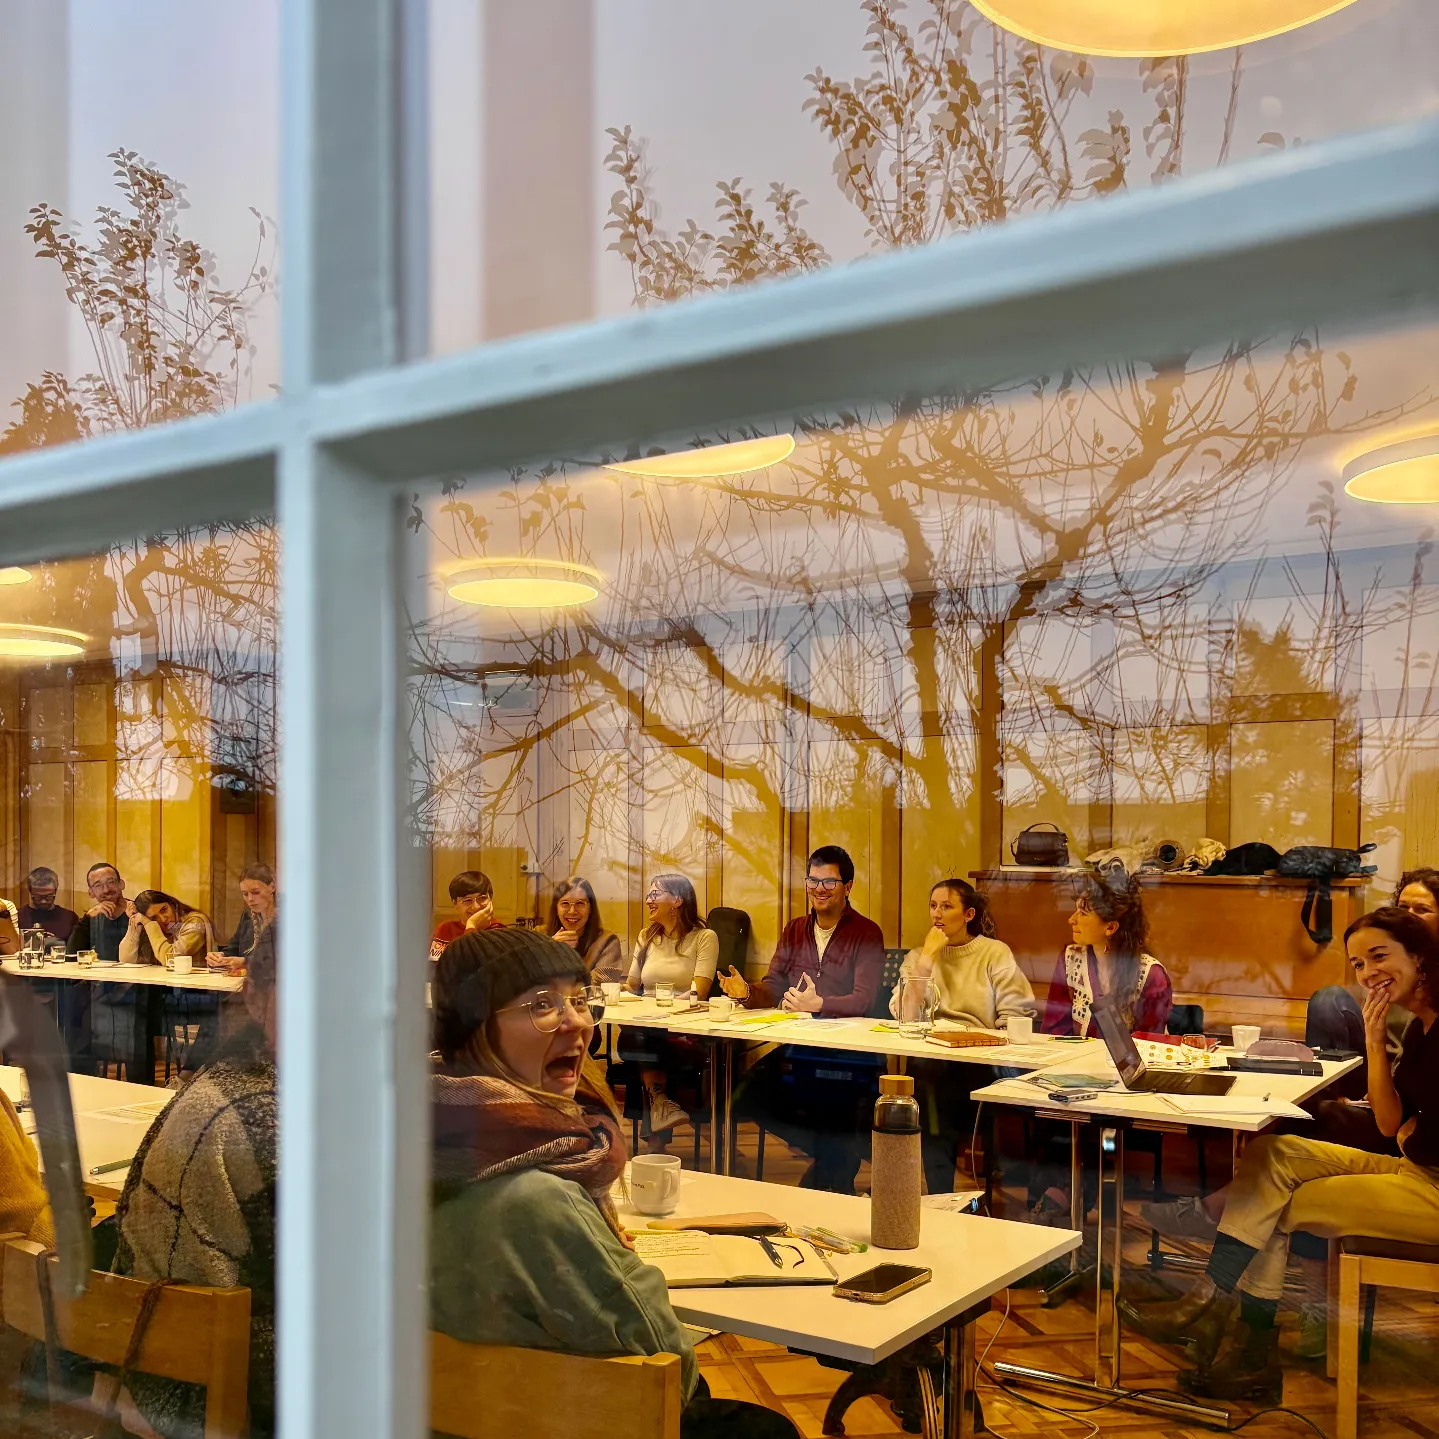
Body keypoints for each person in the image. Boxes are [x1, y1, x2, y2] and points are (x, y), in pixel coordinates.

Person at [429, 926, 797, 1439]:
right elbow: (667, 1361)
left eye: (579, 1000)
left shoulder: (407, 1142)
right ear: (473, 1028)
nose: (578, 1022)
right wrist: (611, 1257)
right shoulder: (535, 1197)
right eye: (542, 1004)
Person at [1119, 907, 1439, 1402]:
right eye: (1358, 964)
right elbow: (1388, 1123)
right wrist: (1374, 1043)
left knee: (1267, 1204)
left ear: (1419, 956)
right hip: (1413, 1168)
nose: (1368, 973)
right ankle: (1214, 1312)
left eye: (1380, 956)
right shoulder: (1418, 1029)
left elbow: (1412, 1134)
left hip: (1432, 1190)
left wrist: (1413, 1136)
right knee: (1270, 1154)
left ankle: (1242, 1342)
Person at [110, 921, 278, 1437]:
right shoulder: (261, 1115)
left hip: (162, 1361)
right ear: (256, 998)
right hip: (209, 1394)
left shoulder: (241, 1078)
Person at [718, 847, 885, 1192]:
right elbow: (773, 985)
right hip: (802, 1046)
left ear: (848, 886)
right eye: (813, 880)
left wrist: (819, 1004)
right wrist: (746, 992)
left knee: (835, 1109)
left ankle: (833, 1166)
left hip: (849, 1052)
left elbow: (864, 998)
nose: (819, 889)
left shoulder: (866, 932)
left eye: (829, 882)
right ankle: (834, 1160)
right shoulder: (795, 929)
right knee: (745, 1093)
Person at [890, 879, 1036, 1193]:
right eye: (933, 906)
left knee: (936, 1085)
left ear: (969, 914)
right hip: (933, 1058)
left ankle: (957, 1189)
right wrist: (927, 961)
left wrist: (993, 1044)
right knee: (925, 1075)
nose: (937, 914)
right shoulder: (919, 956)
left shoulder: (994, 953)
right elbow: (906, 1016)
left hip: (978, 1061)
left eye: (947, 906)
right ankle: (940, 1194)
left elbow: (1017, 1012)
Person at [623, 875, 718, 1141]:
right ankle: (661, 1103)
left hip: (682, 1028)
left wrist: (668, 1008)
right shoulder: (646, 936)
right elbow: (632, 985)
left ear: (677, 900)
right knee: (637, 1036)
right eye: (648, 895)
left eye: (655, 895)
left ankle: (657, 1132)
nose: (648, 901)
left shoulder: (704, 937)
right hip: (646, 1023)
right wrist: (609, 990)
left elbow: (700, 990)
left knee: (637, 1041)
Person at [1304, 867, 1435, 1058]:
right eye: (1402, 907)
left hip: (1417, 1059)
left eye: (1422, 909)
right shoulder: (1388, 951)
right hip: (1379, 1049)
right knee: (1328, 1000)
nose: (1410, 915)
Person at [1040, 869, 1172, 1038]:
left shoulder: (1150, 975)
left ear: (1110, 927)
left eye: (1083, 914)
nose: (1071, 919)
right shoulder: (1070, 959)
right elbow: (1055, 1031)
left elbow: (1150, 1042)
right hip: (1075, 1055)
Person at [547, 874, 623, 983]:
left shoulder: (607, 941)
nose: (572, 911)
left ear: (590, 908)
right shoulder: (538, 936)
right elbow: (527, 981)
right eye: (565, 903)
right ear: (556, 908)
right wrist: (550, 951)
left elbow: (599, 986)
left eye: (580, 903)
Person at [121, 890, 217, 968]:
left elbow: (170, 959)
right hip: (163, 983)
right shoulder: (151, 928)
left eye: (164, 910)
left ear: (172, 904)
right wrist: (135, 923)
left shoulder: (195, 922)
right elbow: (126, 960)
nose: (163, 919)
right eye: (154, 918)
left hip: (194, 985)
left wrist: (149, 924)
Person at [65, 862, 132, 965]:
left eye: (111, 882)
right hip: (99, 974)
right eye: (98, 885)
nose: (106, 889)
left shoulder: (138, 912)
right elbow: (71, 957)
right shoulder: (91, 918)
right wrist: (87, 918)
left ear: (121, 884)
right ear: (91, 893)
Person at [430, 870, 504, 957]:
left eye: (482, 898)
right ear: (455, 903)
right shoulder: (444, 929)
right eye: (467, 900)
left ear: (490, 899)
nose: (476, 907)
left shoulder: (499, 933)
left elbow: (468, 961)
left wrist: (471, 926)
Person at [213, 862, 277, 960]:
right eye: (245, 894)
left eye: (256, 892)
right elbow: (233, 949)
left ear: (272, 887)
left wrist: (245, 962)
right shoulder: (247, 916)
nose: (250, 899)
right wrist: (219, 956)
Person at [17, 866, 79, 942]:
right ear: (30, 892)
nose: (43, 901)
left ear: (55, 891)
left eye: (48, 896)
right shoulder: (18, 917)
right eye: (38, 897)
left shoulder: (70, 918)